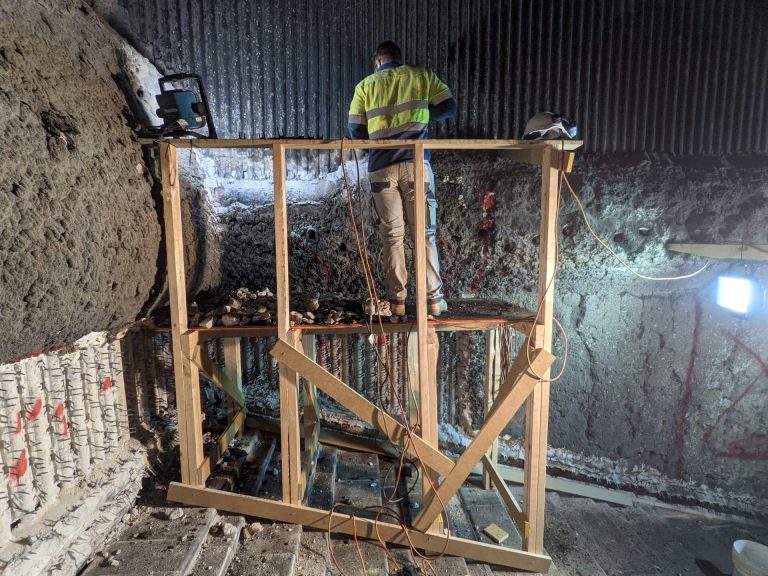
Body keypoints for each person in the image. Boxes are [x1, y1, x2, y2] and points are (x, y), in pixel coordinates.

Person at [348, 41, 457, 317]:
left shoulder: (365, 86)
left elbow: (355, 130)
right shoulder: (421, 76)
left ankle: (397, 302)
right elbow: (449, 106)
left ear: (378, 62)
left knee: (392, 237)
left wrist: (380, 138)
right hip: (415, 164)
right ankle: (433, 300)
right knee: (424, 234)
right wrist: (421, 116)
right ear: (399, 58)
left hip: (381, 167)